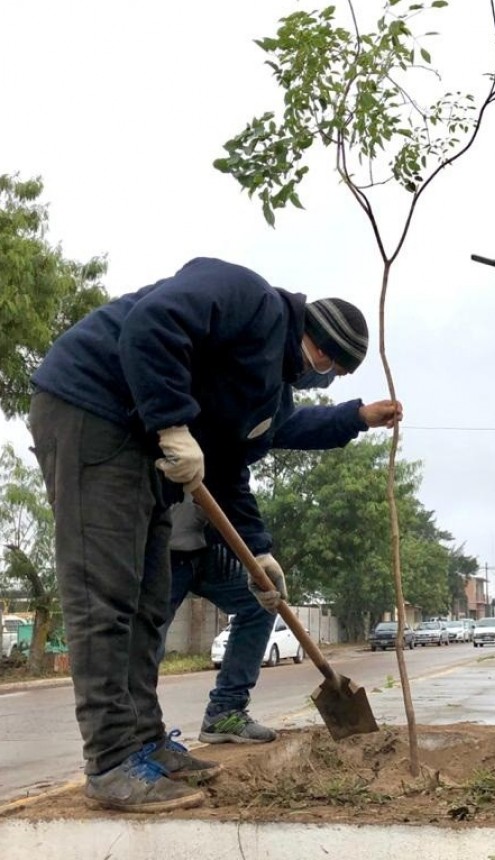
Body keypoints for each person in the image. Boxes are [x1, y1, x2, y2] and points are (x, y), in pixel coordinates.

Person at [28, 257, 401, 813]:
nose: (324, 380)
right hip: (91, 406)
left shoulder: (265, 394)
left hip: (142, 439)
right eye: (332, 370)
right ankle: (110, 763)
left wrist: (260, 552)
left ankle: (146, 742)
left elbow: (229, 470)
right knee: (106, 596)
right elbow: (152, 324)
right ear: (320, 349)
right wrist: (173, 421)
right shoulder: (247, 297)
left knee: (148, 601)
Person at [160, 390, 399, 745]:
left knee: (262, 601)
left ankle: (225, 712)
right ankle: (137, 737)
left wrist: (358, 417)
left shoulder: (242, 408)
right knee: (144, 635)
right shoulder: (178, 392)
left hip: (208, 542)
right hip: (159, 542)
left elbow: (290, 425)